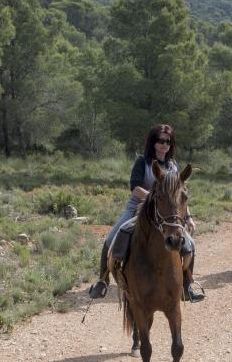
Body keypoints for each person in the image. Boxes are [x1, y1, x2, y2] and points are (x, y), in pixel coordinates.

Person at [87, 124, 204, 302]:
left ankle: (187, 285)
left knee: (190, 245)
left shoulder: (173, 165)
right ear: (153, 142)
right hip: (138, 208)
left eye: (168, 141)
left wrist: (188, 217)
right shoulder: (142, 162)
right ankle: (102, 280)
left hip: (167, 213)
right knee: (112, 238)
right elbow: (135, 187)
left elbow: (178, 196)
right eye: (161, 140)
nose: (165, 144)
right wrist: (154, 198)